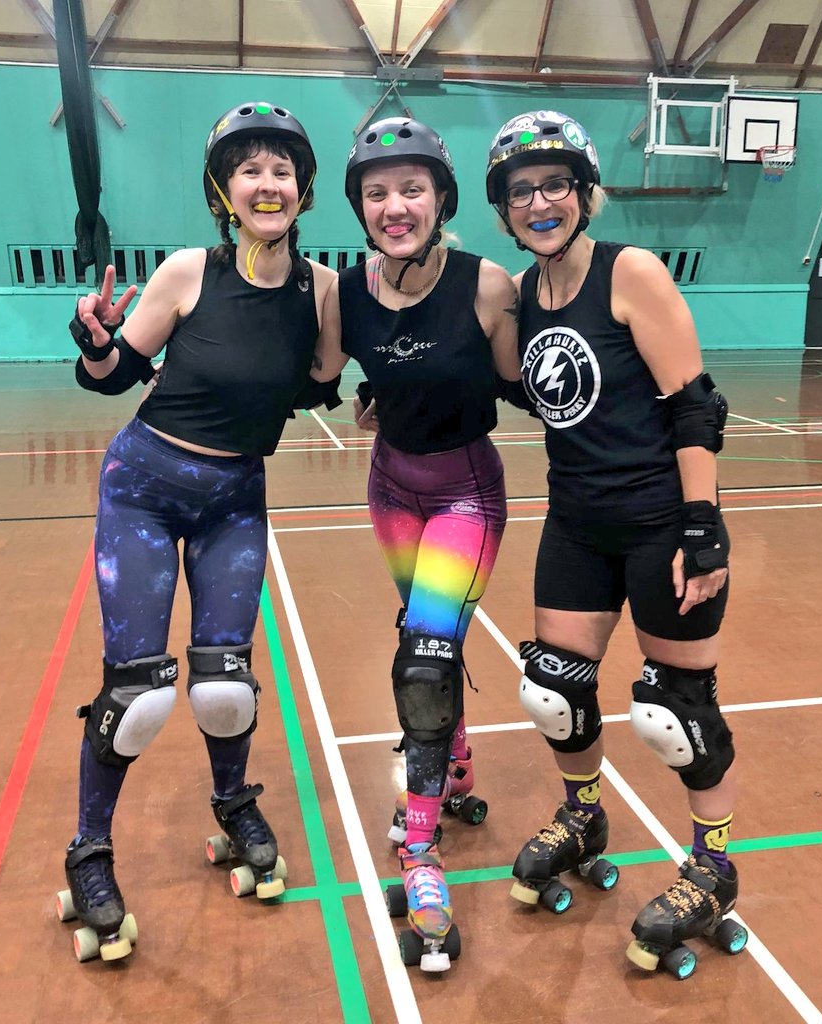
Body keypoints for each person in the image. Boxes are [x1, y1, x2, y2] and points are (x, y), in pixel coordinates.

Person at [57, 101, 338, 962]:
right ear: (223, 189)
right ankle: (89, 853)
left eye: (282, 169)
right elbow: (111, 377)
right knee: (137, 694)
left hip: (233, 499)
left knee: (226, 687)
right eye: (250, 169)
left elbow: (323, 383)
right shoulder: (187, 272)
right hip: (144, 486)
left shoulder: (321, 289)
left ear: (304, 189)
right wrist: (96, 338)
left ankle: (233, 802)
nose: (268, 183)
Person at [485, 110, 747, 975]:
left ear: (585, 193)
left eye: (556, 184)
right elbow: (540, 392)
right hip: (577, 523)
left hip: (658, 525)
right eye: (522, 192)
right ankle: (585, 813)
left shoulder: (629, 272)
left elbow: (692, 404)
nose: (540, 202)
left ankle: (711, 867)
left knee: (678, 710)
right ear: (505, 211)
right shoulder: (525, 297)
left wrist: (702, 524)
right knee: (554, 693)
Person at [311, 117, 524, 971]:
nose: (395, 206)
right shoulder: (345, 295)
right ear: (361, 209)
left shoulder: (487, 284)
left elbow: (523, 382)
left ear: (440, 199)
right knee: (427, 632)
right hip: (390, 488)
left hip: (467, 492)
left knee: (427, 662)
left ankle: (422, 850)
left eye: (411, 189)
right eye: (377, 193)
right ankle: (457, 763)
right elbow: (318, 378)